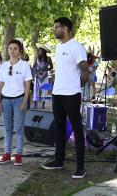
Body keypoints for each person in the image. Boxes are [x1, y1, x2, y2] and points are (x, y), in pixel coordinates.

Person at [41, 17, 89, 179]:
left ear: (66, 28)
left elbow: (85, 72)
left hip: (71, 95)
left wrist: (76, 87)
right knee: (59, 128)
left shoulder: (77, 47)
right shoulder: (58, 47)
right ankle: (58, 161)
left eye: (57, 27)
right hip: (57, 94)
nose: (54, 30)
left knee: (76, 129)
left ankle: (80, 167)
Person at [0, 39, 32, 166]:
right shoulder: (4, 65)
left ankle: (18, 154)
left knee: (19, 128)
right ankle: (6, 154)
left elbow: (27, 85)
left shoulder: (24, 65)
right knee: (7, 128)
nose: (12, 51)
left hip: (19, 99)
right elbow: (0, 85)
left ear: (20, 50)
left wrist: (24, 102)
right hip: (5, 100)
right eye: (10, 48)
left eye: (15, 48)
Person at [32, 44, 53, 109]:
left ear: (44, 52)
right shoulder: (36, 58)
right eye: (39, 51)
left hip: (45, 76)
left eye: (42, 51)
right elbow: (34, 66)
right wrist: (36, 71)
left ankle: (43, 105)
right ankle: (35, 104)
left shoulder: (48, 58)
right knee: (36, 90)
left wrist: (46, 69)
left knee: (45, 90)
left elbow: (51, 67)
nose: (40, 52)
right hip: (38, 75)